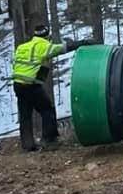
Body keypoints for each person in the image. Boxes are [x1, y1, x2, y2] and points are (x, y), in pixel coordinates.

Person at [11, 24, 87, 152]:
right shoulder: (43, 46)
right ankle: (49, 140)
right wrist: (82, 43)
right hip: (31, 84)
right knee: (47, 109)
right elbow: (62, 48)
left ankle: (28, 145)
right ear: (47, 36)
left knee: (25, 114)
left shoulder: (22, 47)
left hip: (18, 84)